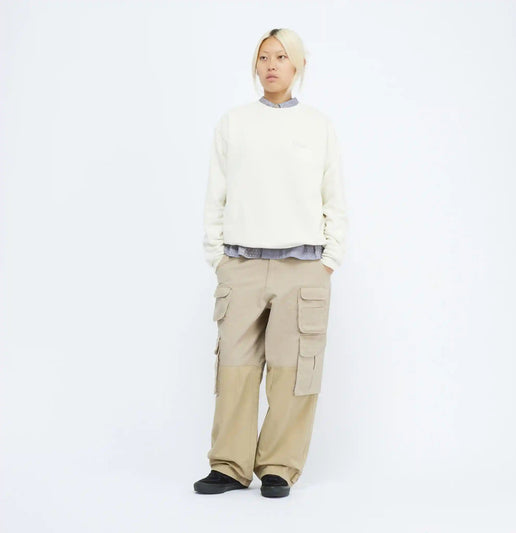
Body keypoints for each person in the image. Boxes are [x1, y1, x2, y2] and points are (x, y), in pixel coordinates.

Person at [194, 27, 349, 498]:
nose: (272, 65)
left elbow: (334, 196)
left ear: (297, 65)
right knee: (234, 368)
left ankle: (279, 466)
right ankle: (229, 465)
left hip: (303, 267)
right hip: (241, 264)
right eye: (264, 57)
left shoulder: (318, 125)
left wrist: (329, 259)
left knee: (293, 370)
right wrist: (218, 258)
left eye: (281, 57)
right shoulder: (234, 123)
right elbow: (215, 194)